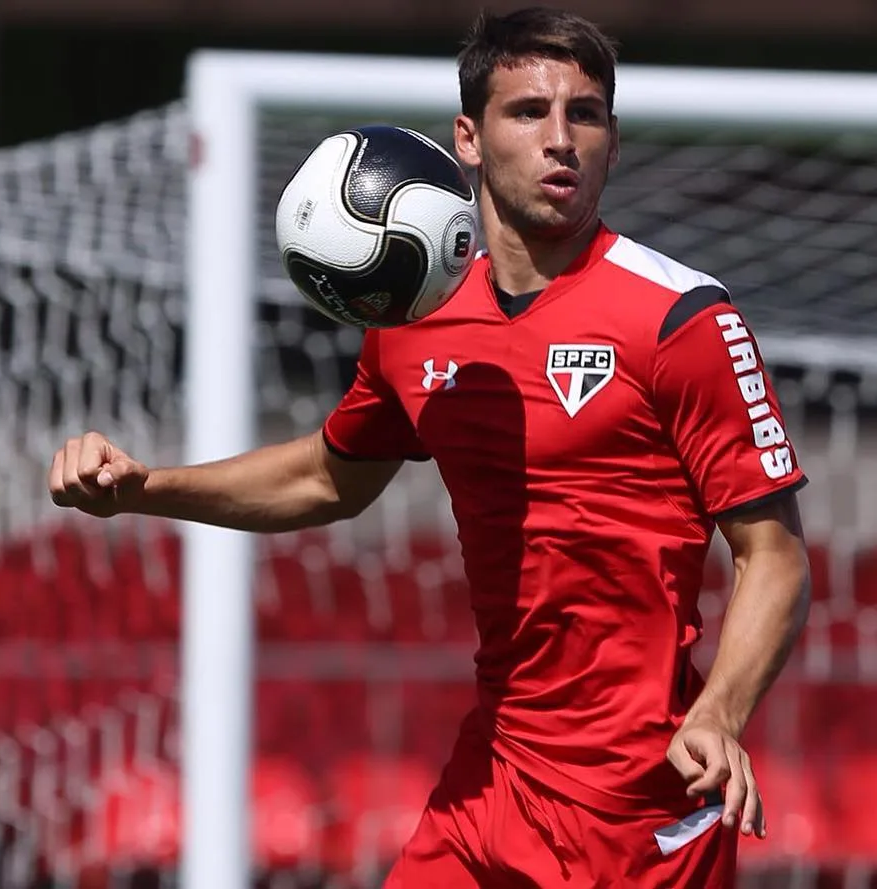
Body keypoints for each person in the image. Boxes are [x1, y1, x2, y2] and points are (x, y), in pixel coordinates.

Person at [48, 7, 812, 887]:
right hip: (492, 774)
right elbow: (326, 478)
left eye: (587, 113)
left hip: (639, 799)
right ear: (470, 139)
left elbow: (776, 561)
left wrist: (719, 712)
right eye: (528, 112)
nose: (561, 138)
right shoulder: (416, 320)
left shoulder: (680, 318)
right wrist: (145, 485)